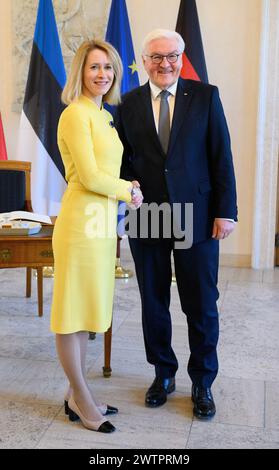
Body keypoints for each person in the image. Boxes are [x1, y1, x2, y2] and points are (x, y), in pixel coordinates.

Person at [115, 29, 237, 420]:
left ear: (182, 58)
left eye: (172, 56)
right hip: (148, 213)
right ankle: (163, 374)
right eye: (156, 57)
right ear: (145, 60)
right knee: (154, 301)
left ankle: (202, 381)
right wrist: (123, 200)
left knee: (201, 303)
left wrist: (226, 210)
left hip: (197, 215)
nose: (164, 63)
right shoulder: (128, 102)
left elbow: (221, 156)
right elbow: (122, 161)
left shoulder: (205, 96)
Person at [50, 39, 143, 433]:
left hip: (102, 224)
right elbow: (87, 177)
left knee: (86, 312)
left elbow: (103, 170)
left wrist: (126, 184)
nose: (102, 74)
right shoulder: (75, 114)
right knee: (71, 315)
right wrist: (126, 190)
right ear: (80, 72)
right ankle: (83, 399)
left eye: (108, 67)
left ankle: (79, 391)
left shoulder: (102, 115)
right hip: (80, 225)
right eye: (94, 67)